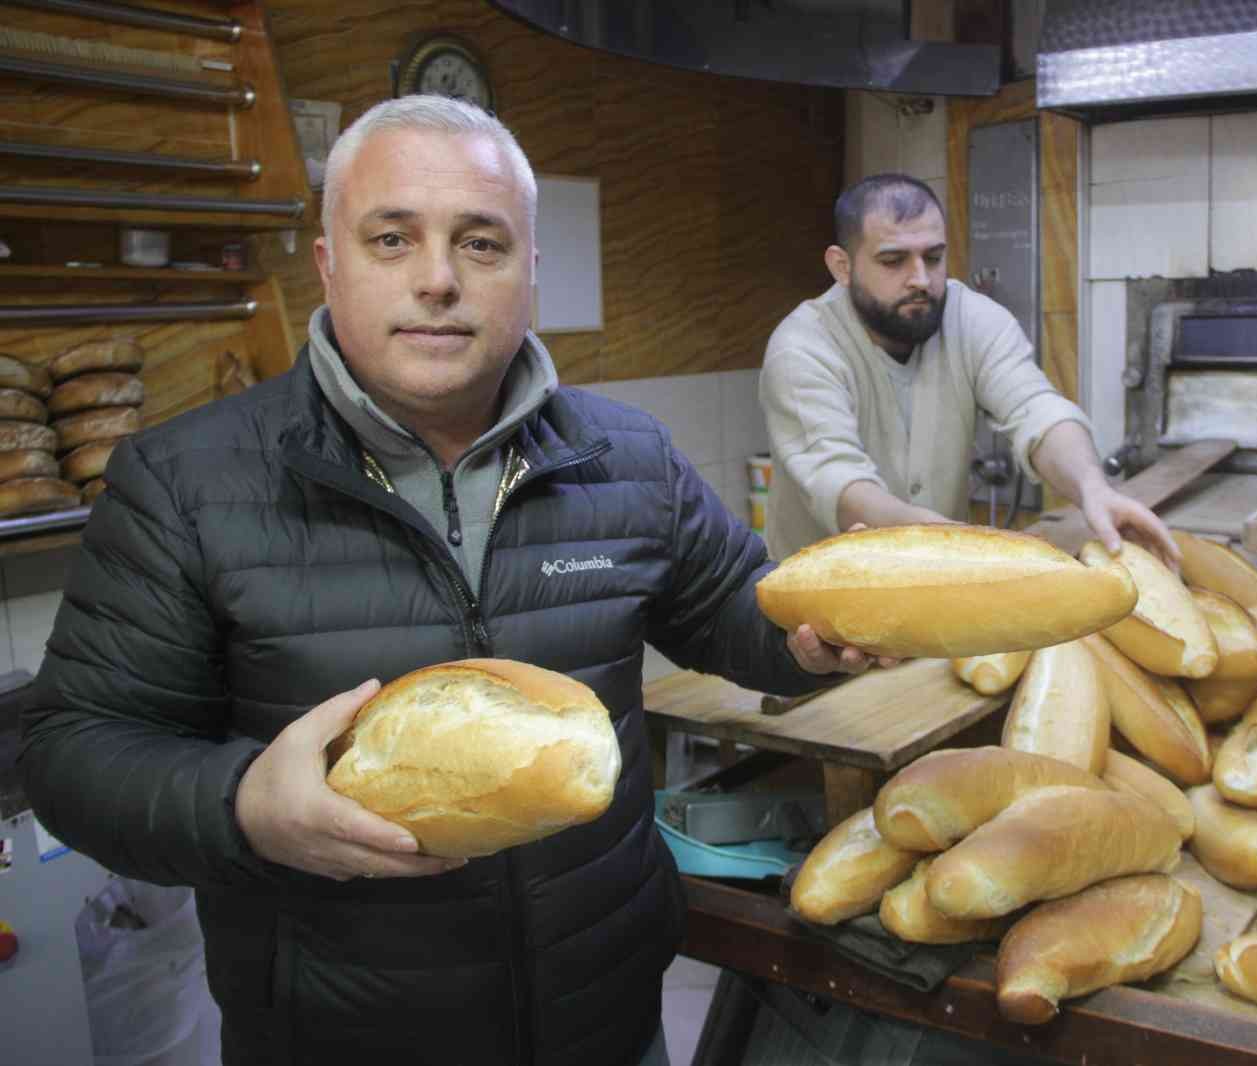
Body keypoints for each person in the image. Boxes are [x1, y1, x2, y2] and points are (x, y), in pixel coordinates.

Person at [19, 95, 881, 1066]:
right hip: (338, 1039)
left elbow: (738, 619)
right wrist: (243, 805)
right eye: (392, 238)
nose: (438, 280)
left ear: (529, 269)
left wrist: (819, 639)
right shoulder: (186, 482)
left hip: (605, 1021)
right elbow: (73, 754)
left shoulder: (629, 457)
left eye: (480, 243)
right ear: (328, 264)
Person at [760, 173, 1178, 565]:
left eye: (933, 257)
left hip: (936, 578)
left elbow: (1037, 411)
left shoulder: (974, 319)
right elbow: (840, 483)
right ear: (842, 266)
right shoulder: (803, 347)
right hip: (820, 592)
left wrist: (1092, 489)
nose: (920, 279)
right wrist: (960, 543)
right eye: (893, 261)